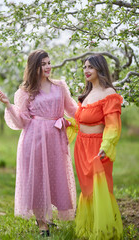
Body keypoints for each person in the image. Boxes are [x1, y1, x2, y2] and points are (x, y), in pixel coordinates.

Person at [0, 49, 78, 237]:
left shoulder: (60, 86)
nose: (48, 67)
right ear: (34, 67)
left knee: (55, 175)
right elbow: (22, 122)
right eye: (43, 64)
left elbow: (73, 109)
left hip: (56, 138)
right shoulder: (25, 92)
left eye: (49, 62)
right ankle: (42, 222)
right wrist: (9, 105)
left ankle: (49, 216)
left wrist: (93, 108)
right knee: (37, 177)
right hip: (34, 139)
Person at [74, 54, 123, 239]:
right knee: (87, 189)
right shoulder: (86, 94)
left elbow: (113, 124)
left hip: (98, 147)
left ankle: (104, 231)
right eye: (84, 67)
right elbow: (78, 120)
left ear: (99, 69)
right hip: (81, 146)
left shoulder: (109, 93)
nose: (86, 71)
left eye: (90, 67)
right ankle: (89, 229)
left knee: (100, 188)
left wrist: (107, 145)